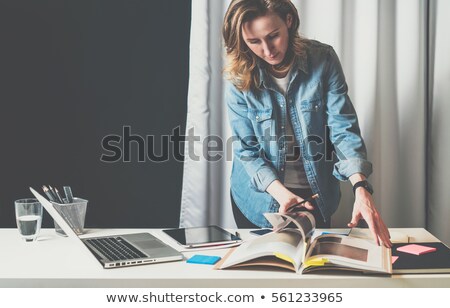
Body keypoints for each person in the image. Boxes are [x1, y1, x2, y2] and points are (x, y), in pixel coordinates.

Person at [222, 0, 391, 247]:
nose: (268, 50)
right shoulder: (238, 76)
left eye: (273, 36)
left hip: (315, 195)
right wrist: (280, 193)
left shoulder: (323, 59)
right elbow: (246, 150)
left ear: (289, 20)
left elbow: (343, 129)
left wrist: (361, 187)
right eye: (254, 42)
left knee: (314, 270)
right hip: (260, 198)